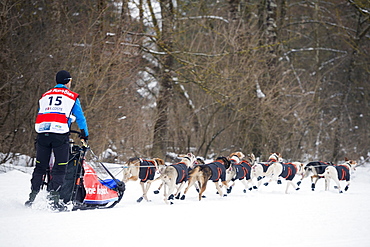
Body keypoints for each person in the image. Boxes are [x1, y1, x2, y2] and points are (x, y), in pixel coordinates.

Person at [25, 70, 89, 209]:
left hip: (42, 133)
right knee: (60, 167)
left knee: (40, 166)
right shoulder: (72, 96)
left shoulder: (45, 95)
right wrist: (85, 134)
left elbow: (43, 112)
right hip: (60, 134)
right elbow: (80, 118)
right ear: (68, 81)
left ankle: (32, 196)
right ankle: (54, 200)